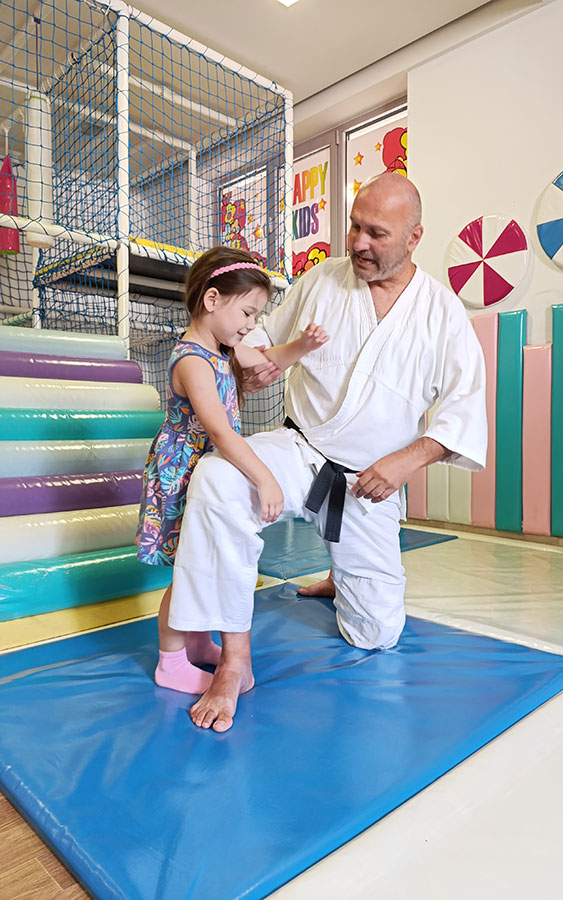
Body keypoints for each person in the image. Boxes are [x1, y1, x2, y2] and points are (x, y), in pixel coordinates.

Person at [171, 173, 488, 732]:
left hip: (369, 479)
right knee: (218, 478)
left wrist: (405, 460)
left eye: (377, 233)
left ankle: (344, 577)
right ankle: (235, 658)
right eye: (355, 227)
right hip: (300, 447)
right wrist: (253, 363)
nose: (359, 243)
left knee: (377, 633)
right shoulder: (321, 280)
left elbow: (463, 411)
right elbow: (259, 340)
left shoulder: (442, 313)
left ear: (414, 237)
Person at [136, 246, 328, 695]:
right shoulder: (192, 360)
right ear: (212, 299)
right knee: (189, 569)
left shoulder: (224, 347)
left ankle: (198, 642)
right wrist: (264, 477)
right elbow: (220, 432)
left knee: (204, 560)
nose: (250, 324)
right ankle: (170, 662)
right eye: (246, 312)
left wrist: (303, 346)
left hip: (205, 466)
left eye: (255, 314)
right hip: (182, 473)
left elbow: (265, 359)